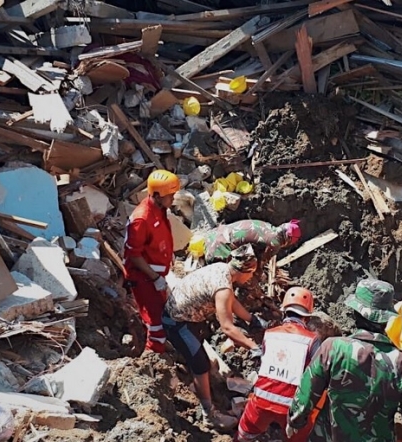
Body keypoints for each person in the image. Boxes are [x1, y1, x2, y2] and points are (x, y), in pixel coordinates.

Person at [286, 279, 402, 442]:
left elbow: (307, 392)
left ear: (355, 313)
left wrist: (295, 421)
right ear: (387, 318)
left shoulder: (333, 348)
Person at [161, 245, 269, 430]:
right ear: (245, 271)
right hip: (177, 323)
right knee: (201, 365)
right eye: (251, 273)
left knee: (202, 359)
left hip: (187, 317)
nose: (251, 278)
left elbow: (231, 301)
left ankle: (205, 387)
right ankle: (208, 415)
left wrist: (252, 319)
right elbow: (227, 328)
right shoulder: (223, 288)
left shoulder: (222, 269)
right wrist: (254, 348)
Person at [235, 287, 321, 442]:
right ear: (307, 317)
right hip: (292, 410)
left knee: (243, 436)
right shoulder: (312, 341)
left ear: (284, 312)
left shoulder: (270, 334)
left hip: (261, 401)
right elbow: (317, 377)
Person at [123, 169, 181, 353]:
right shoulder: (141, 219)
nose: (173, 199)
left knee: (161, 314)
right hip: (143, 278)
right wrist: (155, 278)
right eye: (170, 196)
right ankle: (153, 357)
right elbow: (134, 255)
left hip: (155, 274)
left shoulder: (159, 209)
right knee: (156, 323)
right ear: (157, 195)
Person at [203, 219, 301, 272]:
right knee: (246, 274)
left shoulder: (267, 225)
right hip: (216, 252)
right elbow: (260, 266)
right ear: (288, 240)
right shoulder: (275, 243)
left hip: (211, 236)